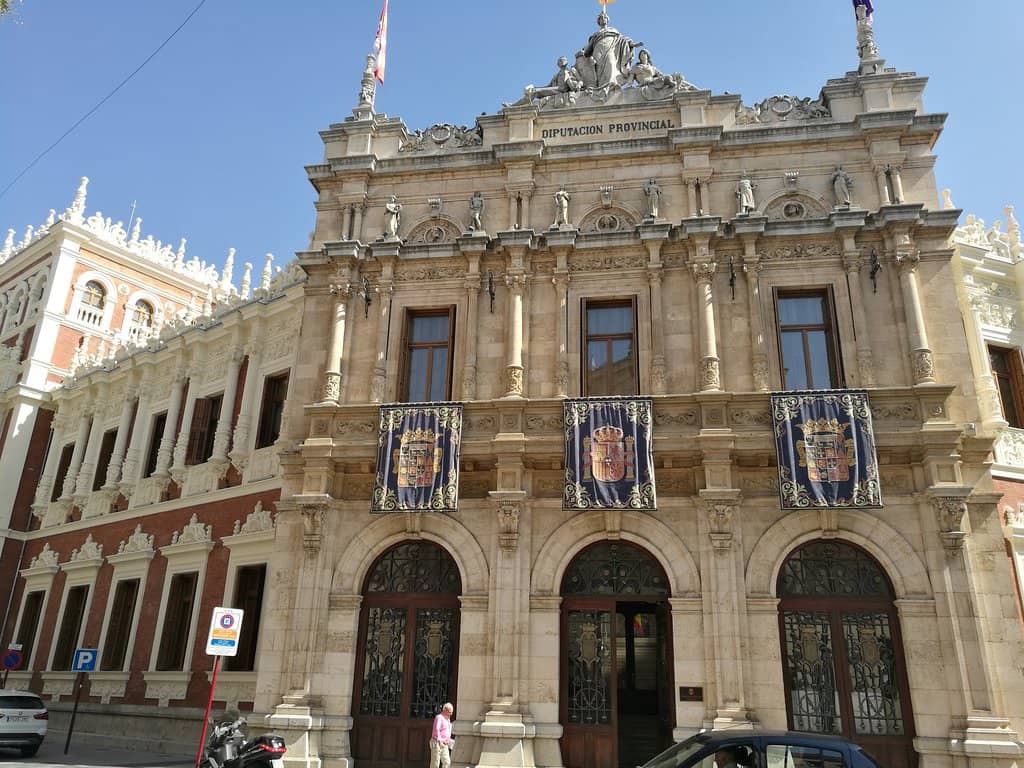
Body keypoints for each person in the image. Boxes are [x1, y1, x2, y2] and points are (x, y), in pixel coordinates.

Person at [584, 12, 643, 89]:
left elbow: (622, 40)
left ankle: (611, 86)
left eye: (605, 18)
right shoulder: (595, 34)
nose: (603, 19)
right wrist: (585, 52)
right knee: (599, 70)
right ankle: (601, 88)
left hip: (610, 49)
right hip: (597, 50)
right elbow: (588, 50)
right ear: (599, 21)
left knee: (611, 63)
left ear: (607, 20)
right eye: (601, 18)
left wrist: (633, 44)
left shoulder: (613, 30)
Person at [429, 702, 454, 768]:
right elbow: (436, 730)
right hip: (437, 742)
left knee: (447, 762)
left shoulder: (447, 719)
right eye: (450, 712)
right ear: (445, 710)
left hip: (444, 744)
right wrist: (440, 741)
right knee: (435, 763)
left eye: (451, 712)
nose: (451, 714)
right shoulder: (439, 717)